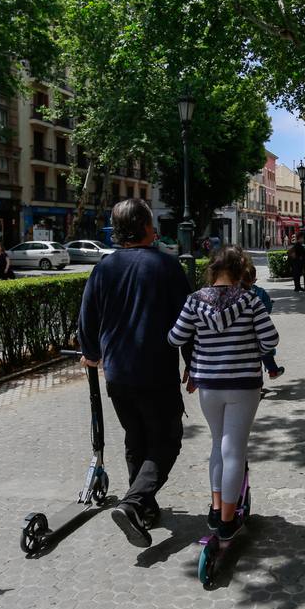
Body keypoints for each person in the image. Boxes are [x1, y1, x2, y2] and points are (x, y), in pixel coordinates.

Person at [78, 198, 193, 548]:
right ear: (146, 226)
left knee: (136, 437)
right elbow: (187, 322)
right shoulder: (167, 266)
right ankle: (134, 503)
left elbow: (87, 320)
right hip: (155, 371)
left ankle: (144, 508)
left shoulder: (103, 269)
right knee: (166, 441)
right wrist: (193, 363)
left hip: (117, 373)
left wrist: (93, 354)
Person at [167, 246, 278, 542]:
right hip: (243, 385)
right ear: (240, 270)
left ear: (212, 269)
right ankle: (228, 521)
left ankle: (217, 510)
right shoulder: (250, 300)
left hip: (209, 385)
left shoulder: (194, 301)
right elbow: (270, 339)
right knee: (234, 451)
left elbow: (175, 337)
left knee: (218, 445)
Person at [241, 261, 284, 380]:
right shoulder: (260, 292)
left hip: (242, 333)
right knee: (266, 350)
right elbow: (267, 309)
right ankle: (273, 370)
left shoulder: (235, 293)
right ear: (254, 279)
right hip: (259, 330)